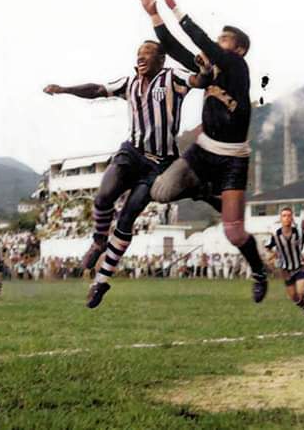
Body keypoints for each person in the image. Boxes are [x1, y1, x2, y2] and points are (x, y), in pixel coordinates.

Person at [43, 38, 211, 308]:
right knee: (103, 196)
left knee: (126, 218)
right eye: (138, 54)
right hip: (131, 153)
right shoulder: (128, 83)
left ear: (161, 60)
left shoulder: (172, 78)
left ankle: (100, 281)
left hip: (159, 163)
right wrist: (64, 89)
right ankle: (98, 242)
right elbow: (97, 89)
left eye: (147, 54)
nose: (141, 58)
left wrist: (203, 70)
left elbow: (199, 82)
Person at [139, 0, 268, 303]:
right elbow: (176, 48)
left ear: (238, 49)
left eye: (225, 39)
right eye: (220, 38)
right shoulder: (210, 69)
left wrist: (175, 8)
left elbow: (203, 43)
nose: (218, 43)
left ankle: (258, 272)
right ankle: (202, 191)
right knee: (161, 191)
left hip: (233, 158)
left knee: (234, 232)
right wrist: (155, 14)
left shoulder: (237, 66)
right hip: (204, 150)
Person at [265, 207, 304, 316]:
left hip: (299, 266)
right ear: (280, 219)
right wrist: (273, 255)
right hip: (285, 270)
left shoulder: (299, 233)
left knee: (301, 291)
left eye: (289, 216)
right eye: (284, 216)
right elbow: (267, 247)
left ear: (292, 218)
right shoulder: (276, 235)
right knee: (293, 296)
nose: (286, 218)